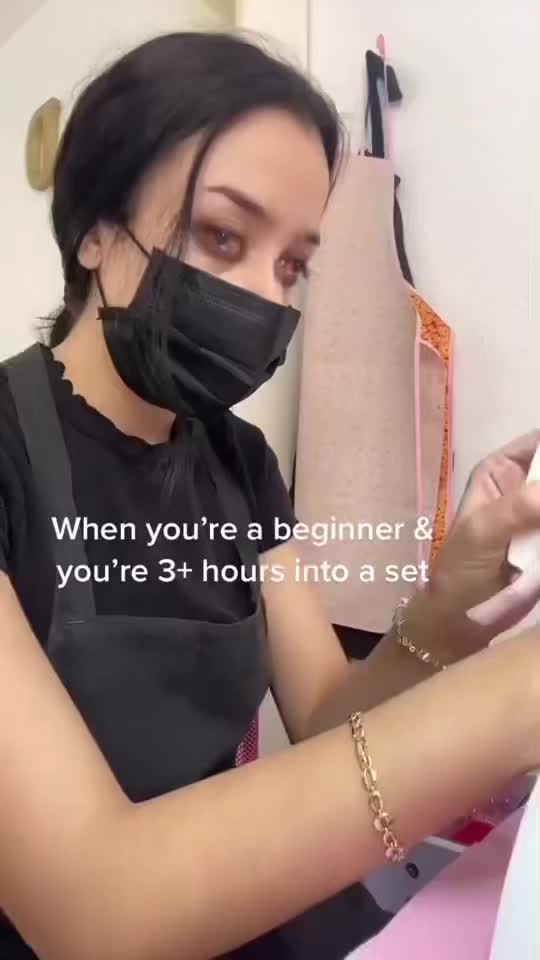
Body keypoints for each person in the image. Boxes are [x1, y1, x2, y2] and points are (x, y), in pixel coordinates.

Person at [0, 31, 538, 960]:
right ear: (95, 229)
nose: (267, 299)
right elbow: (91, 908)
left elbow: (328, 716)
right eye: (223, 236)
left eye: (292, 266)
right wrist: (512, 701)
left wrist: (449, 600)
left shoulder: (239, 461)